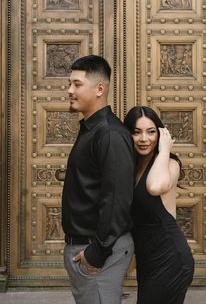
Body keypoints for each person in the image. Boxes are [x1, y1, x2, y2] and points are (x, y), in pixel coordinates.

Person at [62, 55, 135, 304]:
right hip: (87, 249)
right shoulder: (93, 129)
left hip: (98, 252)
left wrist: (96, 254)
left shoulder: (110, 134)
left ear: (99, 89)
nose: (70, 91)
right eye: (70, 84)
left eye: (77, 84)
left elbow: (116, 200)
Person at [124, 106, 194, 304]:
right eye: (136, 132)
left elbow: (155, 186)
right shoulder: (132, 165)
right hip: (148, 260)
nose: (144, 139)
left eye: (151, 132)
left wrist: (164, 150)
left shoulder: (170, 164)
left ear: (161, 134)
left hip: (171, 258)